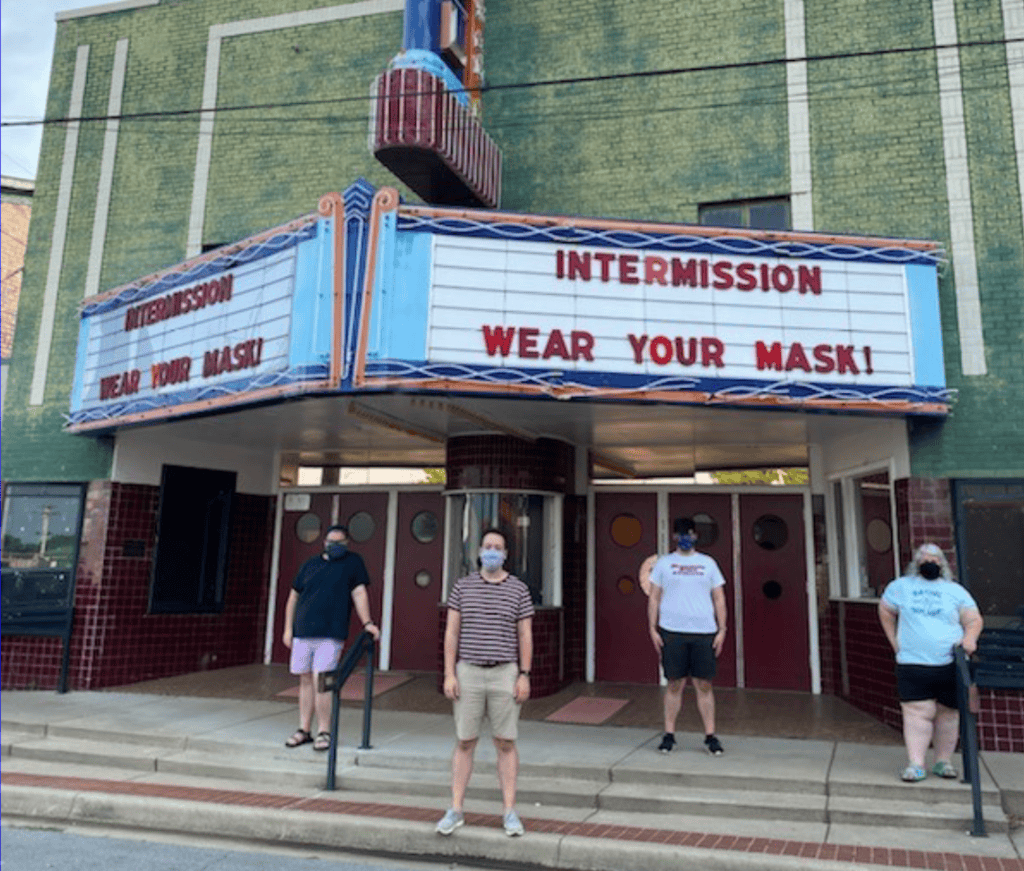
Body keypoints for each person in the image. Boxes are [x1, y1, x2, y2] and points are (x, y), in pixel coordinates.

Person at [435, 528, 534, 838]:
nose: (492, 551)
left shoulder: (518, 589)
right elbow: (451, 632)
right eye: (487, 546)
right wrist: (449, 674)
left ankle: (509, 811)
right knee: (465, 741)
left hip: (504, 672)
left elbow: (525, 634)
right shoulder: (462, 587)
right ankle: (455, 809)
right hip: (469, 672)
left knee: (505, 742)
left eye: (498, 547)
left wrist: (524, 674)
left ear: (506, 554)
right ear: (479, 551)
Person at [878, 542, 983, 782]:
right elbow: (885, 611)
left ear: (943, 564)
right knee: (917, 713)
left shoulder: (955, 591)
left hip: (950, 664)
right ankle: (916, 764)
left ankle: (943, 762)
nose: (930, 562)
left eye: (935, 558)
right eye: (924, 557)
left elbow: (973, 620)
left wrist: (970, 639)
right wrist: (894, 642)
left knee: (949, 714)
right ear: (915, 562)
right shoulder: (900, 587)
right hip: (912, 664)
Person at [283, 524, 380, 751]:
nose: (334, 546)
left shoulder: (353, 563)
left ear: (346, 544)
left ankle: (324, 731)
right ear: (324, 542)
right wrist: (288, 629)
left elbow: (359, 593)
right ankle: (304, 729)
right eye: (330, 542)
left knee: (323, 680)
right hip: (303, 632)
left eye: (339, 542)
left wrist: (367, 623)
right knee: (305, 680)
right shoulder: (310, 564)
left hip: (331, 633)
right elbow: (293, 596)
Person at [648, 516, 728, 756]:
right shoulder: (664, 564)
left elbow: (719, 597)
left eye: (690, 534)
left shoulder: (708, 563)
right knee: (675, 684)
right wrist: (652, 628)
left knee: (704, 684)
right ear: (674, 537)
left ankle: (710, 736)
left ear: (696, 536)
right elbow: (654, 597)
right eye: (681, 534)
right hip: (672, 631)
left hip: (704, 632)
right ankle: (669, 735)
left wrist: (722, 629)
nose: (686, 538)